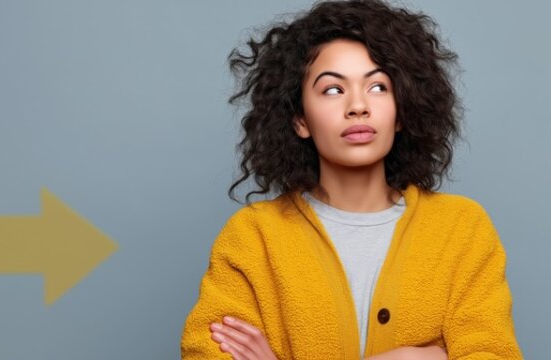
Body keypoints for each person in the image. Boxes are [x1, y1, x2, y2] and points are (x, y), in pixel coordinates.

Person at [181, 1, 522, 358]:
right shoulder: (253, 238)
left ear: (401, 111)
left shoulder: (462, 230)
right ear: (300, 120)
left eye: (378, 87)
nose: (358, 106)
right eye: (332, 90)